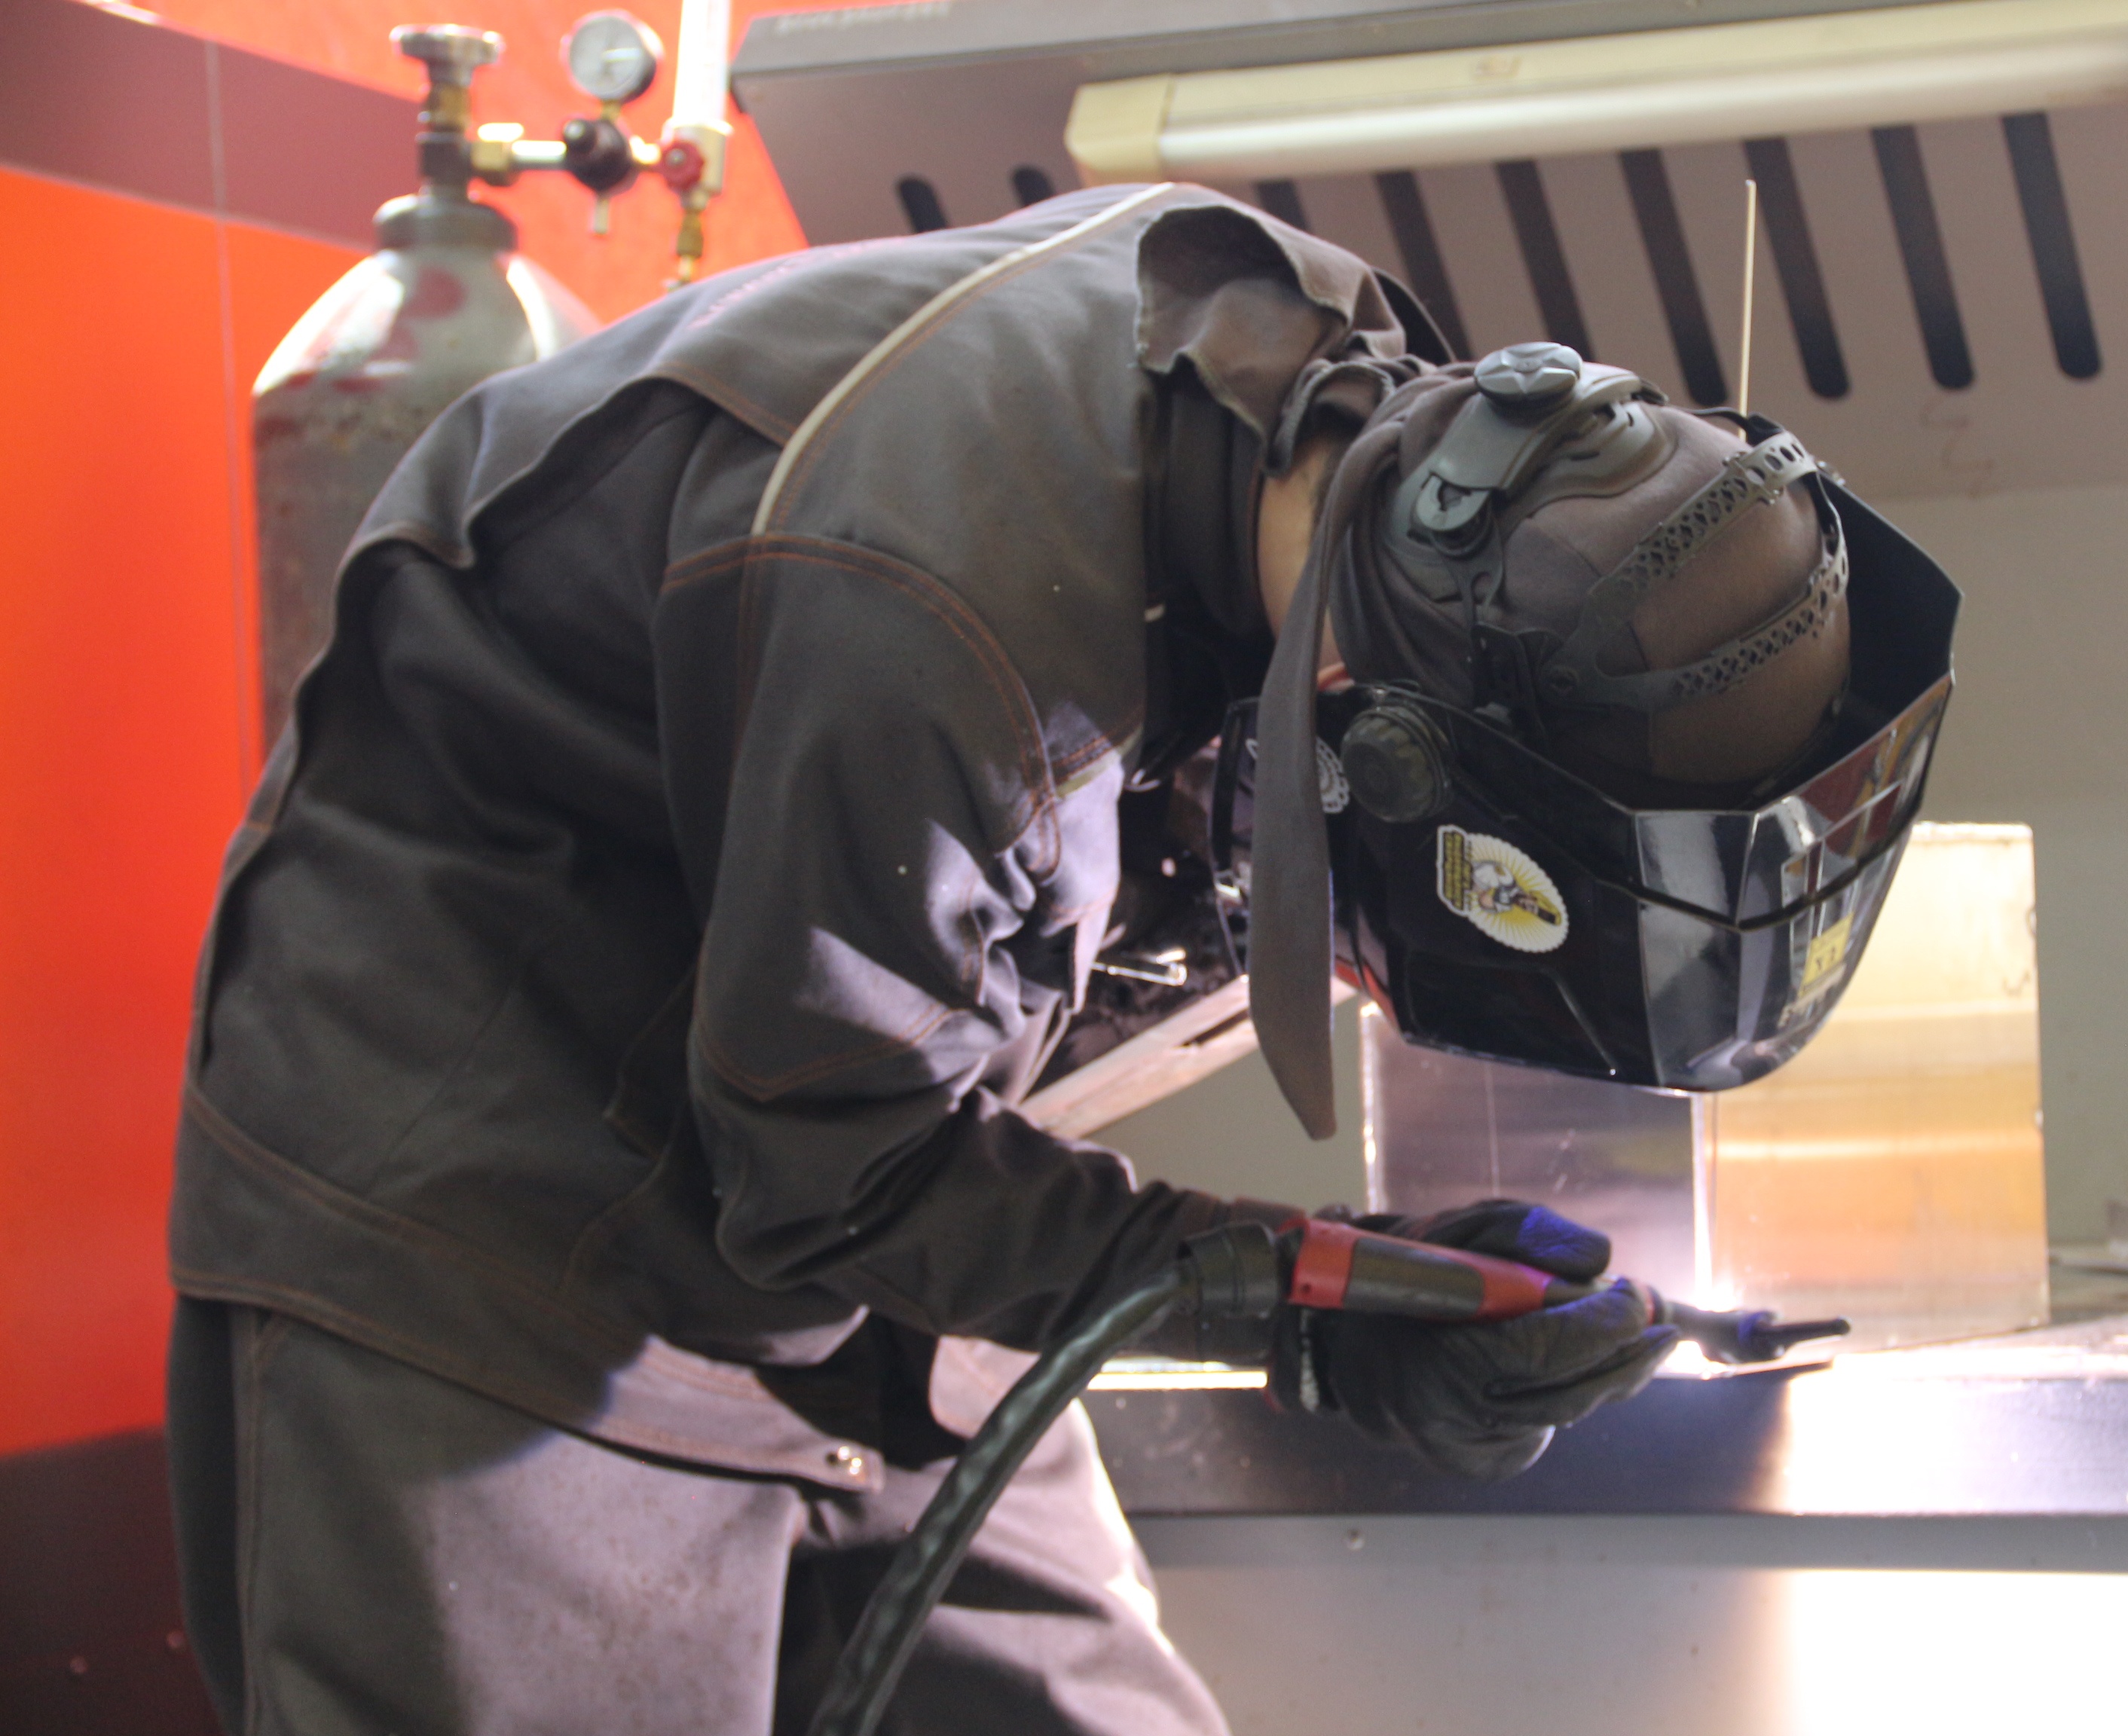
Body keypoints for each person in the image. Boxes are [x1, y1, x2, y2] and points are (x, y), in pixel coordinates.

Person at [166, 179, 1931, 1735]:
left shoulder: (1332, 432)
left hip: (852, 1216)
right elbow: (838, 1172)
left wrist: (1363, 1283)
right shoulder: (931, 618)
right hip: (500, 1259)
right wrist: (1305, 1309)